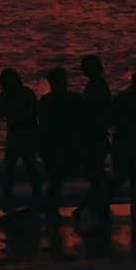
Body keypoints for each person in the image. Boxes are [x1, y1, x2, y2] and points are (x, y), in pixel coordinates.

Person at [0, 67, 44, 208]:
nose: (4, 84)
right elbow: (1, 114)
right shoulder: (9, 95)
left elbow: (36, 112)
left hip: (25, 133)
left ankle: (31, 197)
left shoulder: (22, 93)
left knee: (25, 167)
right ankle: (16, 198)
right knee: (13, 167)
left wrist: (39, 132)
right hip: (18, 133)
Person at [35, 66, 86, 217]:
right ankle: (53, 207)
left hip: (54, 142)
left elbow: (42, 124)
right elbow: (81, 121)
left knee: (55, 177)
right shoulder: (74, 98)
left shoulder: (46, 100)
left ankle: (53, 207)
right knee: (58, 177)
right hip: (65, 142)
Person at [107, 71, 136, 222]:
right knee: (135, 179)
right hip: (133, 140)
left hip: (119, 140)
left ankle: (102, 205)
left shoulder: (120, 97)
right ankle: (134, 214)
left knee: (119, 178)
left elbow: (111, 120)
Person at [77, 54, 115, 217]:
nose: (81, 69)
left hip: (94, 132)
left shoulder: (97, 86)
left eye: (84, 66)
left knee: (95, 170)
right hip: (96, 131)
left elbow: (97, 111)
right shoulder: (97, 84)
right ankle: (96, 203)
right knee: (95, 170)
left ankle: (93, 204)